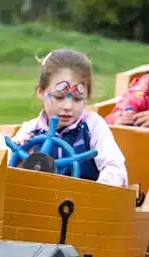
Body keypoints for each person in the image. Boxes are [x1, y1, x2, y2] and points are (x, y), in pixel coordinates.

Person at [11, 49, 128, 187]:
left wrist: (98, 192)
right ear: (41, 92)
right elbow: (8, 174)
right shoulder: (30, 131)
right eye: (59, 97)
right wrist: (18, 160)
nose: (68, 106)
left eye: (77, 99)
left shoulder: (93, 126)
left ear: (87, 96)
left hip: (86, 202)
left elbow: (115, 168)